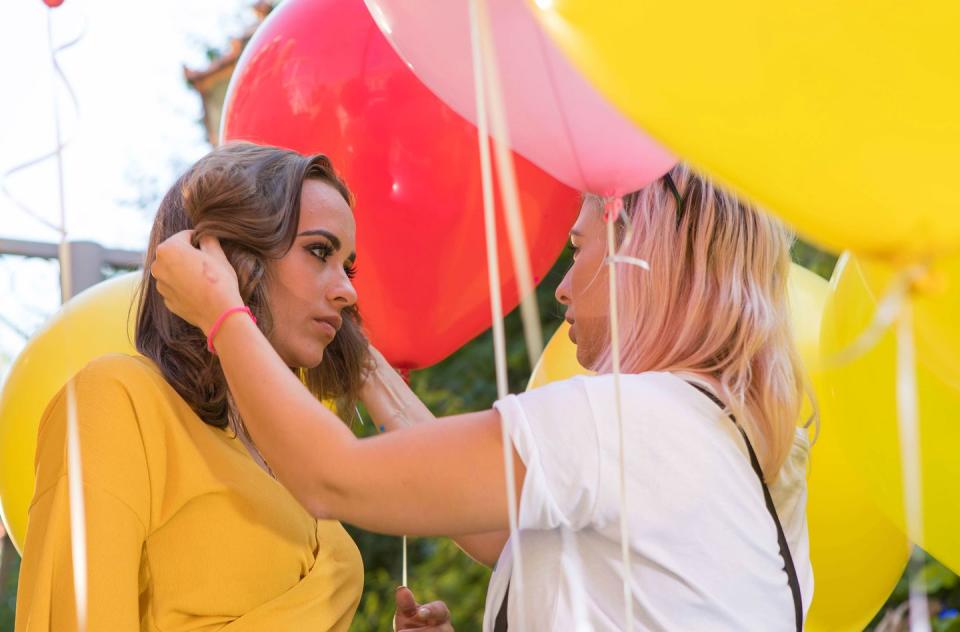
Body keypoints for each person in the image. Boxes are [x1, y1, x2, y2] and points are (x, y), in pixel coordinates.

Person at [152, 163, 815, 631]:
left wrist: (220, 309)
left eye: (577, 250)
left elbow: (334, 480)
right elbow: (512, 538)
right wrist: (366, 370)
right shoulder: (719, 443)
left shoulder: (627, 420)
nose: (560, 288)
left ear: (638, 257)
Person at [16, 142, 452, 632]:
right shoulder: (117, 399)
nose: (348, 290)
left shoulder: (294, 456)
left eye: (347, 267)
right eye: (319, 251)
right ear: (225, 255)